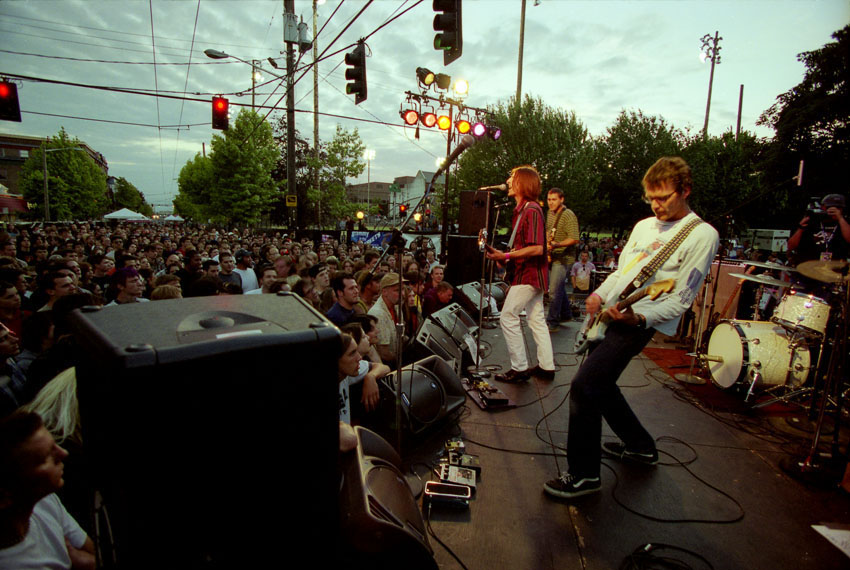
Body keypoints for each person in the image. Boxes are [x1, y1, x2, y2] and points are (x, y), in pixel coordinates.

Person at [543, 156, 718, 499]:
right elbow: (624, 275)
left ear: (685, 190)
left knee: (585, 385)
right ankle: (640, 447)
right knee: (601, 385)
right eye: (650, 198)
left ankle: (584, 475)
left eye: (664, 197)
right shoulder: (643, 227)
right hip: (613, 313)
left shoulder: (701, 235)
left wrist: (638, 318)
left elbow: (682, 298)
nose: (655, 206)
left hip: (640, 320)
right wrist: (598, 296)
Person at [485, 165, 556, 382]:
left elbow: (537, 248)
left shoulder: (532, 210)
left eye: (512, 178)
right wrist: (504, 255)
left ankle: (520, 368)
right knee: (536, 319)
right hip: (529, 273)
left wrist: (505, 257)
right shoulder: (524, 210)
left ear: (523, 183)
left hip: (530, 274)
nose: (508, 181)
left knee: (507, 315)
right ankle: (546, 367)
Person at [0, 411, 96, 569]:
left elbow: (94, 551)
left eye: (55, 446)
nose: (63, 453)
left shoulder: (44, 501)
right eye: (45, 457)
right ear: (4, 496)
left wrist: (88, 561)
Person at [545, 188, 580, 332]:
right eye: (549, 199)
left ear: (561, 199)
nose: (551, 202)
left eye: (554, 199)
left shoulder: (568, 215)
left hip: (564, 258)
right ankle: (566, 314)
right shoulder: (550, 213)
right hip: (553, 256)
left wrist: (557, 244)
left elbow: (574, 238)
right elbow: (549, 230)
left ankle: (552, 322)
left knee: (553, 291)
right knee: (558, 287)